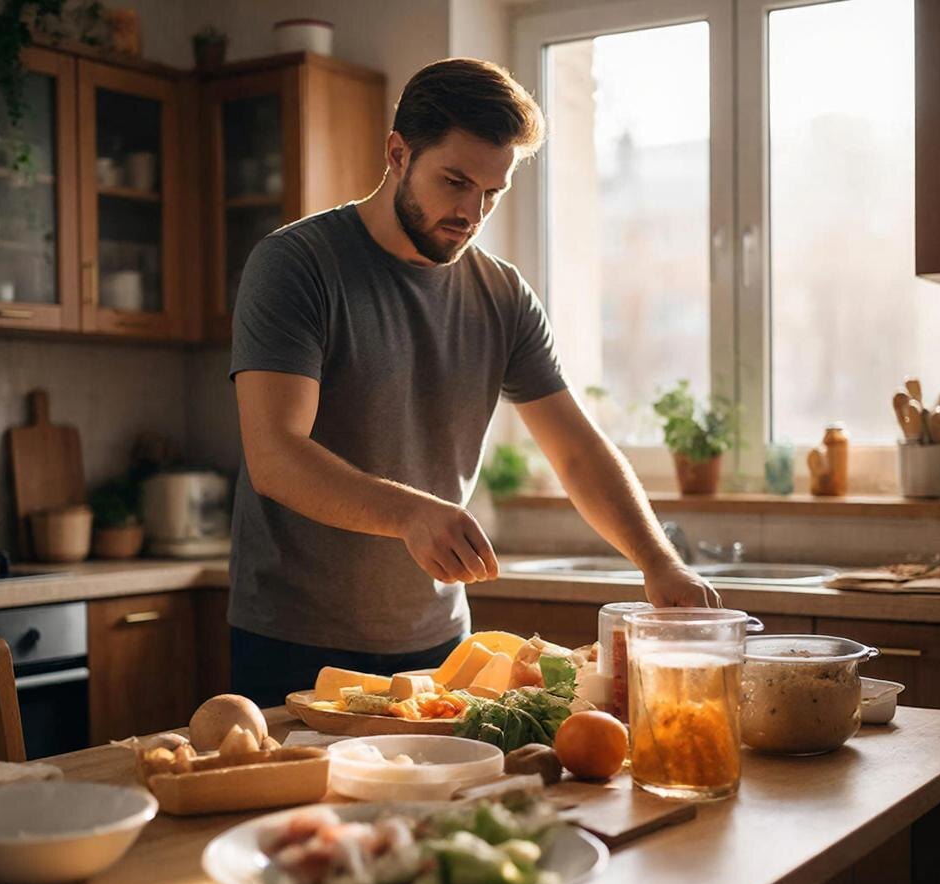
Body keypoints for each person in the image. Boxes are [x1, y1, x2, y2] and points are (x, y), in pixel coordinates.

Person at [229, 58, 718, 708]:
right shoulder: (296, 266)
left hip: (440, 645)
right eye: (455, 181)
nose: (471, 212)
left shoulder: (502, 294)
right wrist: (411, 514)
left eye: (492, 192)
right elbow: (275, 456)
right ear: (398, 153)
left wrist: (659, 561)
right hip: (294, 641)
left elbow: (576, 450)